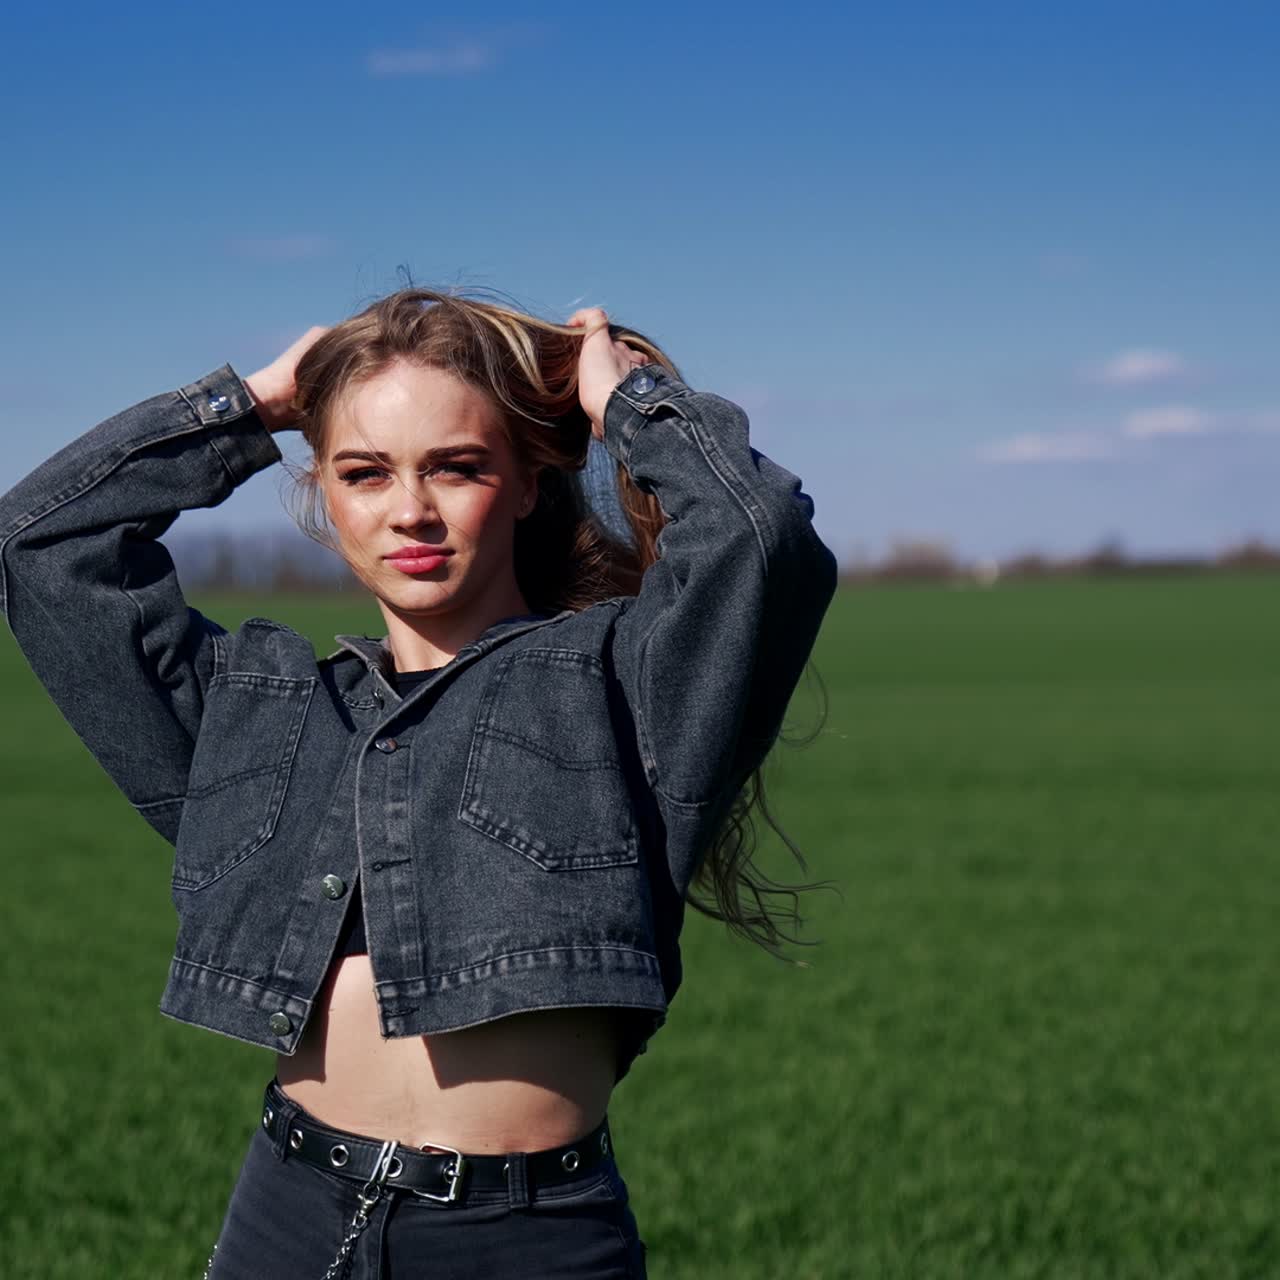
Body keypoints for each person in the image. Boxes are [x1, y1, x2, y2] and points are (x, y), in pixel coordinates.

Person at [0, 287, 839, 1278]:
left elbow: (757, 537)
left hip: (526, 1241)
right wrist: (249, 406)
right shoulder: (255, 715)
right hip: (287, 1215)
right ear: (325, 492)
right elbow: (42, 549)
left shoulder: (627, 687)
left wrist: (630, 401)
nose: (411, 509)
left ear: (527, 482)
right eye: (363, 472)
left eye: (457, 465)